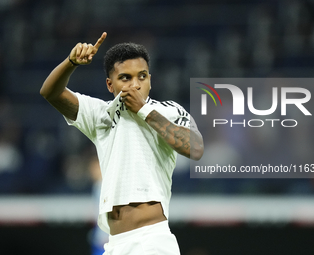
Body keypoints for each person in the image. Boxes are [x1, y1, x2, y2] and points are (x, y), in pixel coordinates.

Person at [40, 32, 204, 255]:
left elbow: (195, 149)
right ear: (110, 85)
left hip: (151, 240)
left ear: (150, 80)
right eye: (125, 78)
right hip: (114, 244)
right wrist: (71, 63)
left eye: (142, 76)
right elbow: (50, 92)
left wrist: (143, 110)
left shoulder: (169, 110)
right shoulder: (100, 115)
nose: (135, 84)